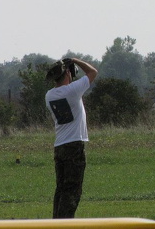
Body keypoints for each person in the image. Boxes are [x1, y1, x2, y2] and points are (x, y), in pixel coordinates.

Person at [45, 57, 98, 219]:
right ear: (68, 72)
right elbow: (92, 72)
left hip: (59, 145)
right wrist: (75, 59)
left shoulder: (49, 95)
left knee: (61, 188)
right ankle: (65, 223)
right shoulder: (73, 90)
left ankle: (56, 222)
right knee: (73, 189)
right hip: (74, 145)